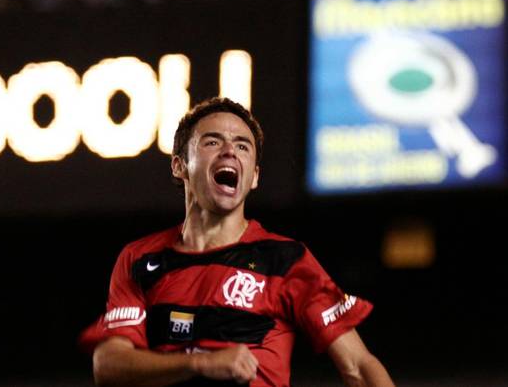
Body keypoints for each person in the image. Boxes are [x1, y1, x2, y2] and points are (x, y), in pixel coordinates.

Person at [80, 97, 394, 387]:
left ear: (254, 177)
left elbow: (359, 366)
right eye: (212, 141)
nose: (230, 150)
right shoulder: (139, 258)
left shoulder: (286, 260)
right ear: (179, 165)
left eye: (243, 146)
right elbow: (108, 366)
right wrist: (200, 364)